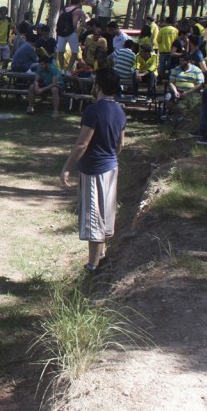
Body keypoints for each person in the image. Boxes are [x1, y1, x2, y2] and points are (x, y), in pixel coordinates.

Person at [60, 68, 127, 273]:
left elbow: (82, 144)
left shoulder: (93, 110)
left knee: (93, 217)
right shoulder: (120, 110)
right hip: (111, 168)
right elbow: (121, 144)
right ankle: (102, 256)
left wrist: (66, 168)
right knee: (105, 213)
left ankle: (92, 267)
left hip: (93, 169)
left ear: (97, 86)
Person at [27, 51, 62, 116]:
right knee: (31, 87)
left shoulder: (53, 69)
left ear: (47, 63)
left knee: (54, 89)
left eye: (42, 64)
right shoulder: (39, 68)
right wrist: (36, 85)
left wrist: (42, 89)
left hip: (58, 85)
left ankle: (55, 111)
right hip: (46, 84)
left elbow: (54, 83)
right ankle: (30, 107)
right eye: (40, 64)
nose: (40, 66)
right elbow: (36, 80)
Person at [55, 0, 86, 69]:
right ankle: (69, 69)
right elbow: (84, 23)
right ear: (79, 3)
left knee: (60, 51)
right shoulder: (79, 10)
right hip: (72, 32)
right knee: (74, 52)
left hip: (62, 33)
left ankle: (62, 68)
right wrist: (79, 28)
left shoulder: (63, 10)